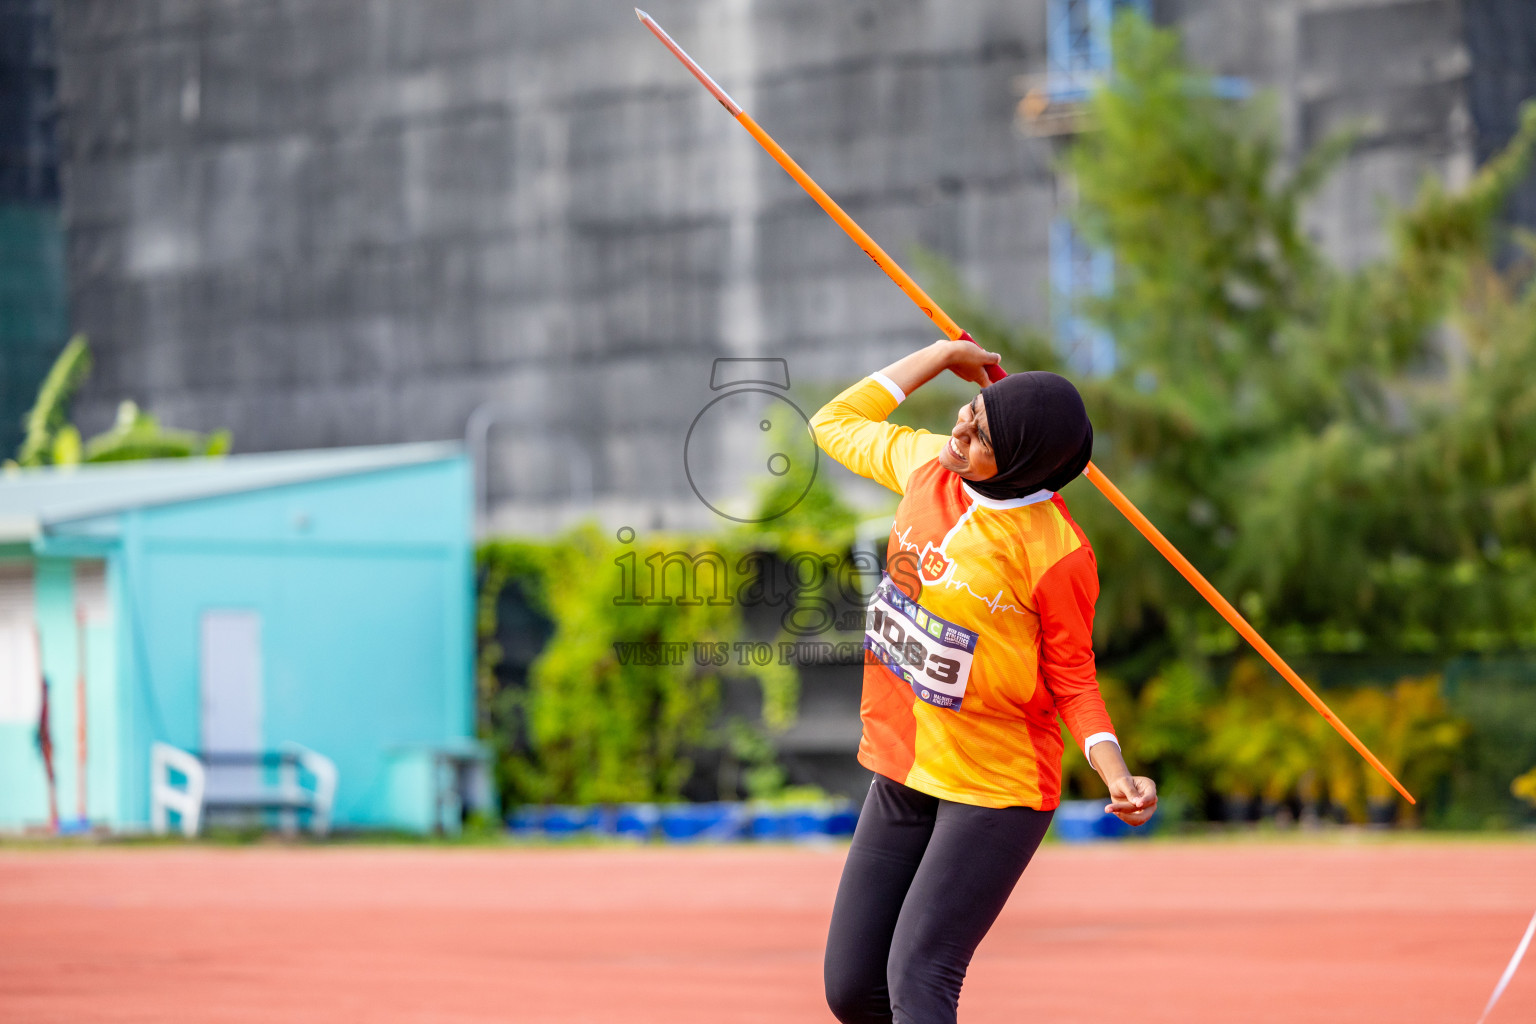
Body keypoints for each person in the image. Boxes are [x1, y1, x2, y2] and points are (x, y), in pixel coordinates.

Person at [809, 339, 1157, 1024]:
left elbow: (1073, 680)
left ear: (1028, 460)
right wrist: (938, 357)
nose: (960, 433)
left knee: (919, 978)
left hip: (996, 791)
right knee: (853, 989)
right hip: (907, 768)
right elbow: (834, 423)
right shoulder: (924, 469)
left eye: (982, 435)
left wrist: (1115, 771)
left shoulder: (1056, 553)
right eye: (967, 413)